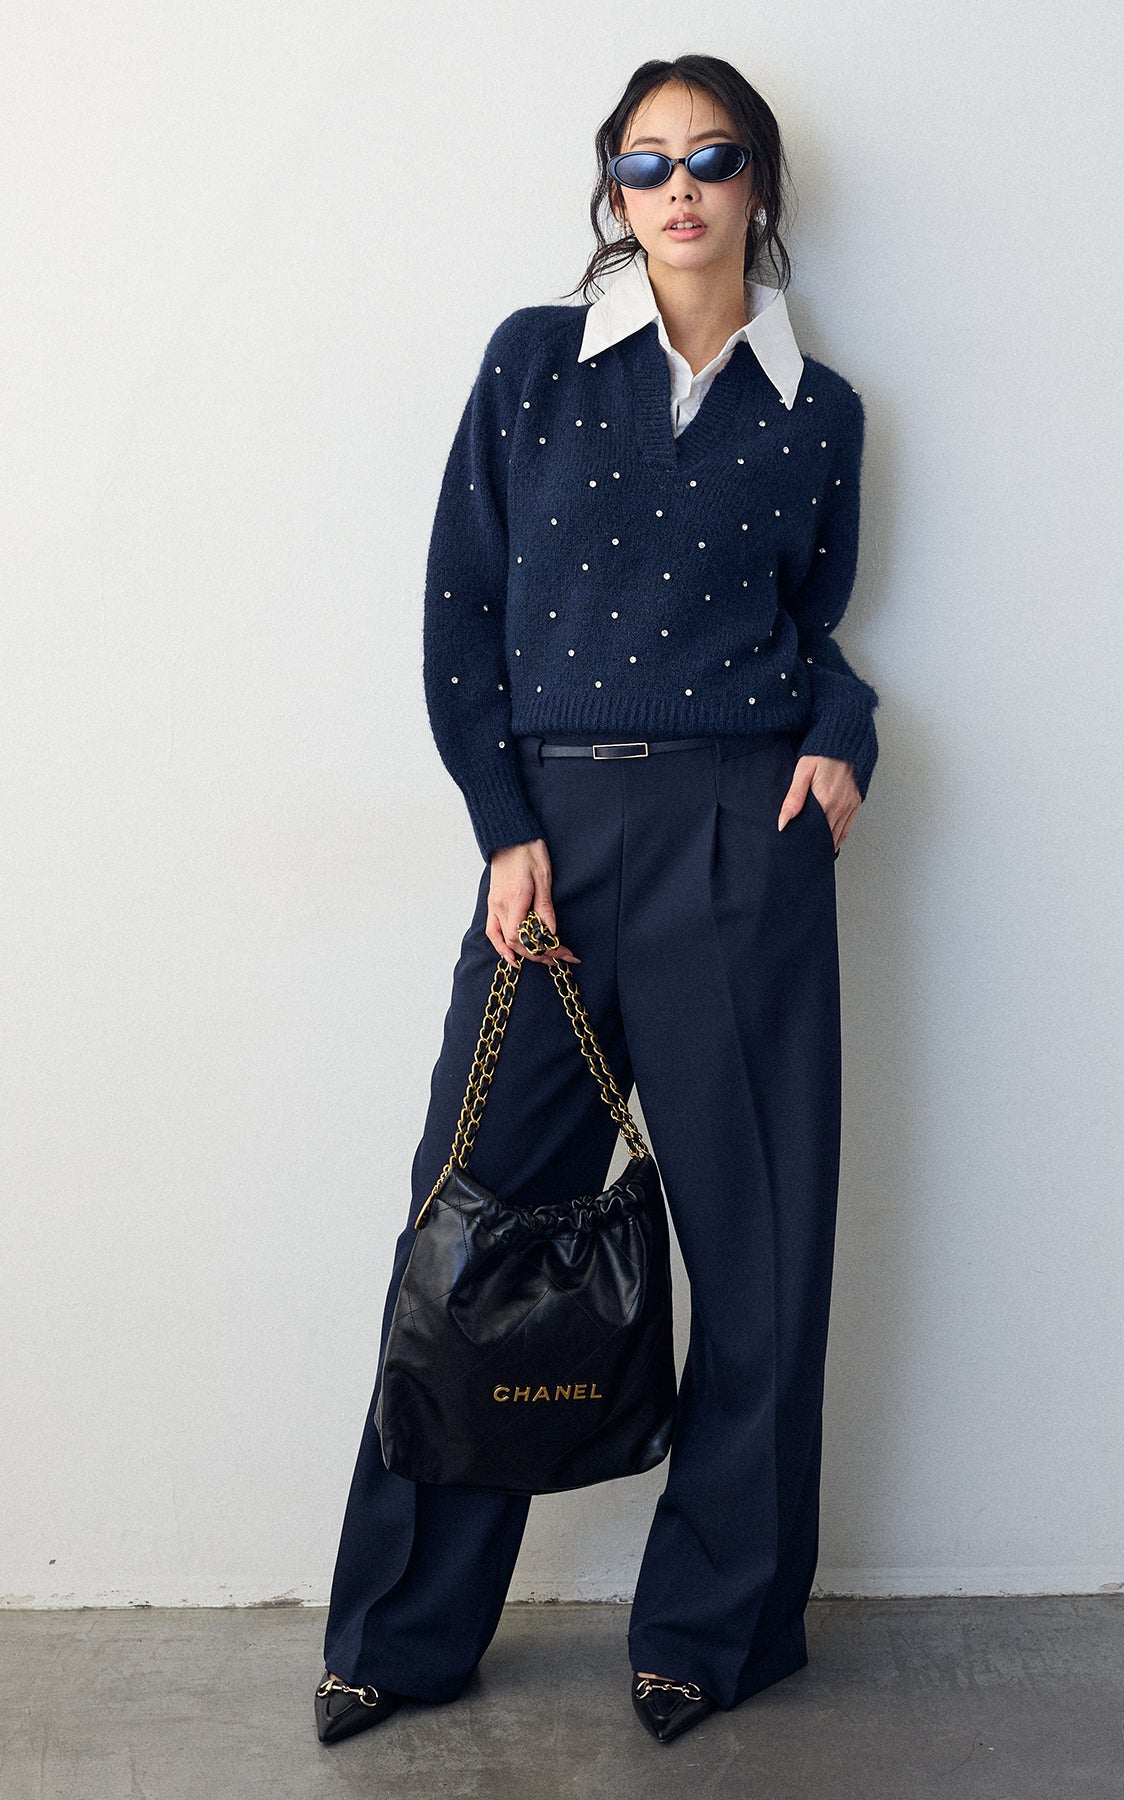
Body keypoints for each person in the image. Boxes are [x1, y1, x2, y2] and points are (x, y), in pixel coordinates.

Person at [315, 52, 880, 1750]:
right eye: (645, 162)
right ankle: (404, 1634)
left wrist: (845, 730)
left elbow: (809, 629)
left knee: (761, 1251)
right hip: (551, 841)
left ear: (759, 184)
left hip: (741, 840)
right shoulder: (534, 364)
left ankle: (717, 1629)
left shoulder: (822, 415)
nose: (678, 186)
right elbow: (458, 615)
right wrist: (504, 825)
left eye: (710, 156)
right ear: (614, 191)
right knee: (470, 1228)